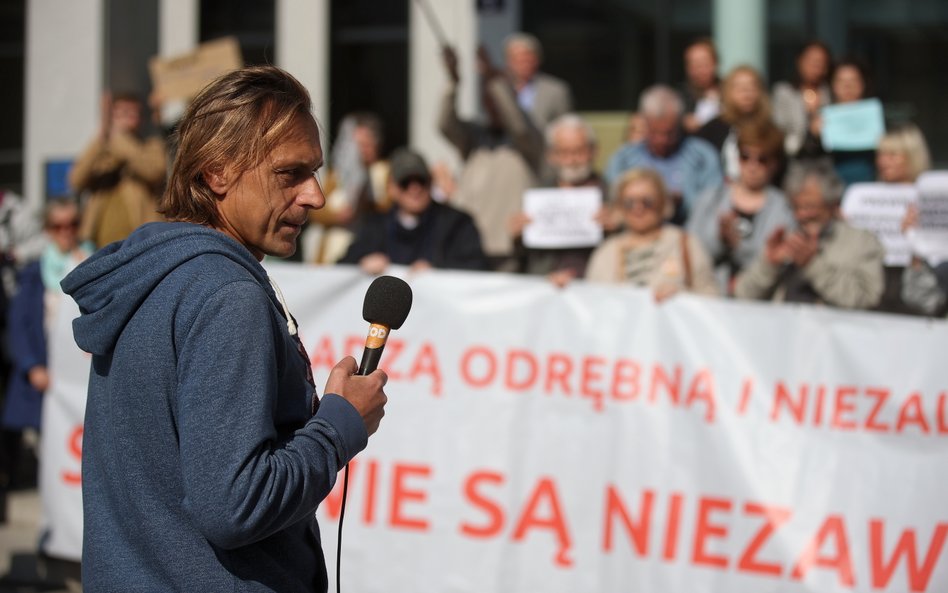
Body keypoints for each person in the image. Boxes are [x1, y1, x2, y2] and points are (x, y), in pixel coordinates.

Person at [60, 65, 388, 592]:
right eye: (290, 173)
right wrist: (338, 426)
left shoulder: (157, 274)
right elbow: (236, 505)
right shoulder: (224, 295)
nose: (315, 196)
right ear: (217, 172)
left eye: (316, 172)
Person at [2, 199, 93, 515]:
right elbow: (20, 325)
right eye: (58, 226)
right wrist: (31, 366)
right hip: (47, 381)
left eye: (72, 225)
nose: (66, 232)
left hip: (83, 380)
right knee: (51, 457)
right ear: (47, 230)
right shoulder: (34, 271)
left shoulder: (93, 262)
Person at [439, 44, 544, 271]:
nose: (494, 105)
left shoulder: (528, 141)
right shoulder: (474, 137)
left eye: (499, 98)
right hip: (468, 247)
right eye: (488, 98)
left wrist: (494, 80)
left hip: (508, 251)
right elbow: (444, 124)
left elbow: (518, 124)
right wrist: (453, 81)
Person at [734, 162, 885, 309]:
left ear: (832, 204)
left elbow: (867, 299)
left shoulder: (861, 241)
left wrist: (812, 265)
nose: (801, 215)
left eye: (809, 206)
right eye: (796, 207)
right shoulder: (786, 238)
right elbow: (743, 295)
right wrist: (769, 264)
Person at [339, 148, 487, 274]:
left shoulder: (457, 224)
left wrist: (438, 270)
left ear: (430, 182)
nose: (414, 189)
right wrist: (361, 264)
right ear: (391, 188)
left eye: (420, 180)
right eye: (405, 182)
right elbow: (339, 269)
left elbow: (476, 268)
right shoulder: (375, 226)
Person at [688, 122, 794, 295]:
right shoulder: (710, 199)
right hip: (711, 299)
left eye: (762, 159)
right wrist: (720, 240)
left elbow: (779, 262)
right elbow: (691, 252)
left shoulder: (784, 209)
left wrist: (738, 247)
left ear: (775, 164)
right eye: (745, 156)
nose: (752, 166)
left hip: (759, 303)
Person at [585, 168, 719, 301]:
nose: (638, 208)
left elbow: (712, 297)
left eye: (647, 201)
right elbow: (592, 303)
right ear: (619, 206)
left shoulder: (685, 243)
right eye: (629, 203)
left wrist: (682, 298)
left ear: (662, 202)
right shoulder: (606, 253)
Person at [509, 114, 609, 286]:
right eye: (563, 152)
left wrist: (616, 227)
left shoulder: (610, 194)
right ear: (551, 156)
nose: (572, 160)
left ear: (594, 151)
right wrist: (518, 236)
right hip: (546, 287)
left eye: (579, 151)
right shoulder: (537, 195)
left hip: (593, 288)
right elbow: (523, 258)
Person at [605, 85, 723, 225]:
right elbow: (614, 206)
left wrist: (683, 202)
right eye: (655, 133)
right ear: (645, 123)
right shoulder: (623, 160)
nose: (662, 140)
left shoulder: (703, 157)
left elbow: (714, 208)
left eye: (670, 133)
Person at [68, 91, 168, 248]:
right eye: (125, 112)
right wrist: (102, 135)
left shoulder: (150, 145)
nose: (132, 116)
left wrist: (120, 142)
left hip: (140, 240)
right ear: (112, 116)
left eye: (136, 112)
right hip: (99, 242)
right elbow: (76, 180)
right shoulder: (101, 148)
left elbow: (155, 172)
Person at [304, 112, 392, 264]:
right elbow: (314, 211)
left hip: (362, 247)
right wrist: (337, 216)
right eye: (357, 145)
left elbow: (389, 209)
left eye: (365, 145)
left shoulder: (384, 172)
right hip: (330, 249)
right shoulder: (337, 175)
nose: (360, 151)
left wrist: (365, 204)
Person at [695, 65, 773, 181]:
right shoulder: (712, 130)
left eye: (751, 86)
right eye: (740, 87)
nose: (746, 92)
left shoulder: (770, 130)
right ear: (727, 92)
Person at [772, 41, 833, 164]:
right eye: (811, 60)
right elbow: (779, 127)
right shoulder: (784, 92)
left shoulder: (831, 94)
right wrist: (808, 129)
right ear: (799, 61)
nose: (815, 65)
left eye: (820, 62)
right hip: (792, 159)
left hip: (825, 161)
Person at [504, 32, 573, 129]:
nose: (524, 65)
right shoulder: (501, 88)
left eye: (527, 60)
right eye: (518, 61)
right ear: (509, 62)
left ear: (537, 60)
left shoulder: (556, 90)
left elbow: (565, 126)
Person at [679, 38, 721, 134]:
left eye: (704, 63)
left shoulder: (729, 92)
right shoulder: (678, 97)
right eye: (695, 64)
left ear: (716, 63)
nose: (700, 70)